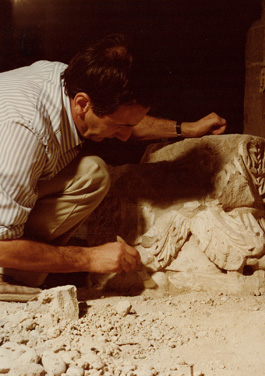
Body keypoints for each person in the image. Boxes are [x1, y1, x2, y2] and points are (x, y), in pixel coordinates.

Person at [0, 34, 226, 301]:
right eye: (119, 127)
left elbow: (125, 120)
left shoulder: (72, 82)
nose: (124, 136)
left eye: (127, 126)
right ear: (83, 104)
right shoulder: (24, 132)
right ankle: (7, 281)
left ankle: (15, 277)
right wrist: (89, 257)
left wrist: (185, 129)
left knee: (91, 174)